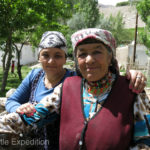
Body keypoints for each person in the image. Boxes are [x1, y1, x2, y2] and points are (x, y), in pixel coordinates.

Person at [2, 29, 148, 149]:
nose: (89, 60)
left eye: (97, 52)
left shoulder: (132, 91)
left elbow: (145, 142)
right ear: (77, 60)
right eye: (82, 54)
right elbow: (34, 115)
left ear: (110, 57)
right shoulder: (67, 87)